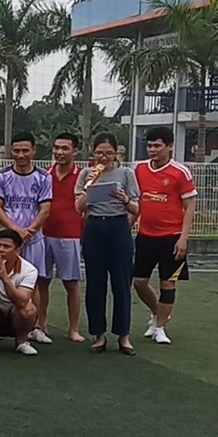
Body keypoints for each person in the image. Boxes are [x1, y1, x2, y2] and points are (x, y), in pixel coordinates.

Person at [75, 132, 140, 355]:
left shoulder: (126, 173)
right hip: (94, 227)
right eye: (100, 153)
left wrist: (125, 199)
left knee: (121, 283)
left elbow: (136, 208)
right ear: (93, 153)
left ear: (116, 153)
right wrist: (90, 185)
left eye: (109, 153)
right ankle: (99, 335)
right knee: (95, 283)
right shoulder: (86, 173)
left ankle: (123, 336)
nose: (104, 157)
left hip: (118, 226)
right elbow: (78, 207)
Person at [132, 127, 197, 345]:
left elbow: (189, 207)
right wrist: (129, 223)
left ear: (169, 147)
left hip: (171, 237)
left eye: (157, 146)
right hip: (145, 235)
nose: (152, 150)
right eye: (150, 145)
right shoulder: (140, 169)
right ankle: (157, 312)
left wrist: (183, 238)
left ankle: (159, 327)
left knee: (167, 284)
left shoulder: (180, 172)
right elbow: (138, 201)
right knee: (139, 282)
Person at [37, 132, 86, 343]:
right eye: (56, 148)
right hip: (43, 234)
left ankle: (73, 329)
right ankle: (40, 325)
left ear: (75, 151)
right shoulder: (44, 175)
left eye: (65, 148)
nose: (59, 152)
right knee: (41, 281)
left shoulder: (83, 177)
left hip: (70, 236)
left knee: (71, 284)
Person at [0, 132, 52, 293]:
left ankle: (35, 312)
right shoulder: (1, 175)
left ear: (33, 151)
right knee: (3, 279)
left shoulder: (44, 177)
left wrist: (29, 231)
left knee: (33, 283)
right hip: (8, 238)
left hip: (33, 238)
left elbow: (45, 209)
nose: (21, 155)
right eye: (16, 151)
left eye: (25, 150)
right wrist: (16, 231)